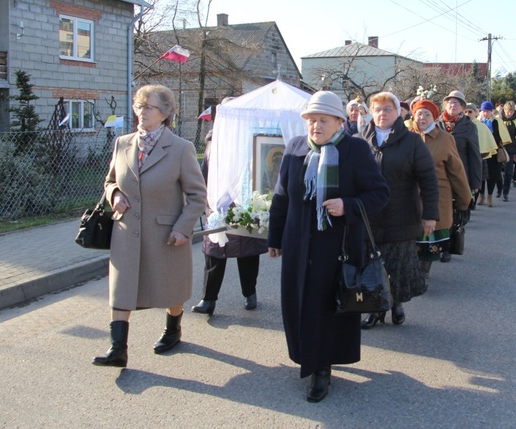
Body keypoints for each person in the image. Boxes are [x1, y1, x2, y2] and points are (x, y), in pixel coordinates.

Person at [267, 91, 389, 403]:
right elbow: (282, 196)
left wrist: (347, 204)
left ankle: (322, 368)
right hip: (298, 243)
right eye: (310, 119)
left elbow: (379, 194)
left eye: (323, 119)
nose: (315, 125)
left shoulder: (355, 149)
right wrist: (275, 238)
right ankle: (306, 354)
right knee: (299, 302)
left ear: (339, 121)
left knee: (327, 305)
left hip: (338, 244)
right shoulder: (295, 147)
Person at [93, 85, 207, 368]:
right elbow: (110, 181)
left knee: (170, 289)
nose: (141, 112)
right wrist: (115, 195)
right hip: (125, 233)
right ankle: (117, 349)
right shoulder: (123, 143)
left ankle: (173, 329)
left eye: (149, 107)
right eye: (139, 106)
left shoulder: (181, 149)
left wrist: (183, 227)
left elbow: (197, 195)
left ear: (165, 112)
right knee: (122, 289)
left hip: (165, 235)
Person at [360, 92, 439, 328]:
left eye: (387, 109)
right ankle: (375, 309)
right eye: (377, 109)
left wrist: (430, 215)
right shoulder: (359, 140)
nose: (382, 114)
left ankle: (396, 303)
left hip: (401, 215)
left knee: (399, 266)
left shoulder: (412, 141)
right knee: (372, 266)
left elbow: (428, 180)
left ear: (398, 113)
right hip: (369, 217)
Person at [191, 114, 266, 316]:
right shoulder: (213, 143)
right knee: (214, 253)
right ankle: (208, 300)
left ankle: (250, 293)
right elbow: (203, 174)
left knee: (248, 254)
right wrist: (201, 200)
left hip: (245, 205)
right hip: (218, 205)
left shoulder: (251, 140)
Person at [411, 99, 471, 268]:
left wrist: (464, 200)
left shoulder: (445, 139)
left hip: (437, 196)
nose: (422, 117)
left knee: (429, 241)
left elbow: (456, 171)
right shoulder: (407, 135)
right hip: (409, 197)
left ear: (434, 117)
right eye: (419, 113)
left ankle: (424, 273)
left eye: (427, 114)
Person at [439, 91, 482, 197]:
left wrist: (475, 183)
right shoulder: (436, 124)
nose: (453, 105)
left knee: (460, 208)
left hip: (460, 174)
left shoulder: (469, 126)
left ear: (462, 107)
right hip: (439, 174)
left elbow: (474, 155)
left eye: (457, 103)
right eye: (450, 102)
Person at [465, 102, 496, 207]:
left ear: (475, 113)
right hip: (464, 158)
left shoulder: (481, 126)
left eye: (470, 112)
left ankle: (474, 200)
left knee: (477, 181)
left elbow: (487, 140)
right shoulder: (460, 125)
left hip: (479, 158)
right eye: (465, 111)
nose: (467, 114)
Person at [479, 100, 509, 206]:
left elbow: (502, 136)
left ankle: (490, 196)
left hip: (494, 152)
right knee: (481, 176)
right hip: (481, 152)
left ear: (491, 111)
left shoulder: (496, 122)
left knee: (492, 175)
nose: (485, 113)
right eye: (483, 111)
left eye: (487, 111)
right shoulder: (478, 121)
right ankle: (481, 196)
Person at [499, 101, 516, 201]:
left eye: (511, 112)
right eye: (507, 111)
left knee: (508, 171)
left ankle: (505, 192)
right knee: (498, 171)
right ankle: (499, 188)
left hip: (510, 148)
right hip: (499, 148)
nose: (509, 113)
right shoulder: (499, 120)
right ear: (504, 111)